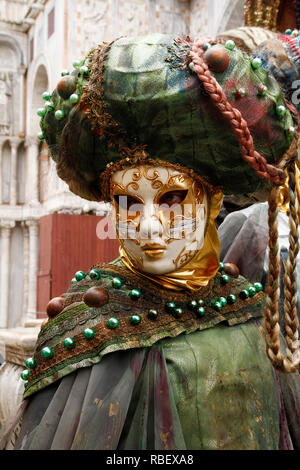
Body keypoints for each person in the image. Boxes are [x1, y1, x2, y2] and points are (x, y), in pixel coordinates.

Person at [1, 33, 299, 450]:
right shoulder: (91, 329)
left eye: (173, 199)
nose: (149, 228)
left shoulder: (250, 310)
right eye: (128, 204)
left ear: (212, 201)